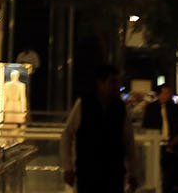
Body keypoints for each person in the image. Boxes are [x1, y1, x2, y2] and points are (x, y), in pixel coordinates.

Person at [58, 64, 137, 193]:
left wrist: (132, 173)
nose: (117, 86)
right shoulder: (84, 104)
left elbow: (129, 142)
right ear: (100, 82)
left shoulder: (120, 108)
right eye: (113, 81)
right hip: (90, 173)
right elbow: (67, 135)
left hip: (111, 174)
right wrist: (68, 168)